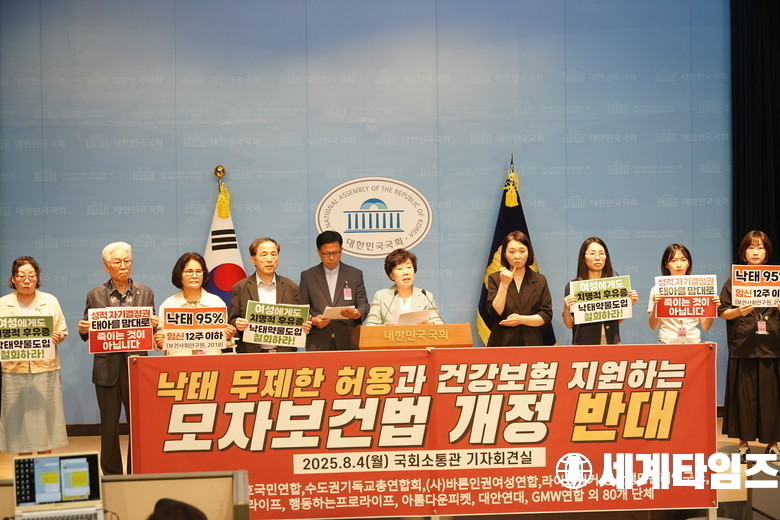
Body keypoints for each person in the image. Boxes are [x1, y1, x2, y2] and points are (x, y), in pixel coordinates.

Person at [78, 242, 157, 475]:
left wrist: (154, 324)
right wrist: (83, 329)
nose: (123, 266)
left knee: (138, 424)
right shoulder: (95, 294)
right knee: (109, 426)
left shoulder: (146, 292)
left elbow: (149, 331)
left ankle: (137, 469)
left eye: (127, 261)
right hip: (106, 369)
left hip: (137, 366)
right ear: (106, 267)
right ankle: (112, 474)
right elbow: (88, 331)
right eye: (117, 262)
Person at [718, 230, 780, 459]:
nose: (755, 252)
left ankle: (773, 443)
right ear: (743, 252)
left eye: (760, 247)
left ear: (767, 252)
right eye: (751, 247)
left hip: (771, 346)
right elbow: (722, 311)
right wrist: (737, 312)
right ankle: (743, 444)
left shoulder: (776, 279)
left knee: (771, 398)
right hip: (743, 345)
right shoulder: (734, 280)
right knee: (743, 398)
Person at [0, 257, 68, 454]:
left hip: (45, 369)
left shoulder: (50, 301)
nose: (26, 280)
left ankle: (46, 466)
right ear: (13, 279)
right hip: (14, 371)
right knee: (20, 427)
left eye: (31, 275)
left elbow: (62, 330)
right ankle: (26, 468)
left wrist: (58, 336)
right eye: (21, 275)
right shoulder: (3, 304)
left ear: (37, 278)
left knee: (46, 423)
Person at [229, 238, 311, 353]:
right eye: (264, 255)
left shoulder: (291, 287)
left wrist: (305, 325)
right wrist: (237, 323)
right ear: (253, 259)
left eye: (273, 254)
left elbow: (301, 320)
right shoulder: (240, 288)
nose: (269, 259)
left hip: (284, 353)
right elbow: (231, 321)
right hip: (251, 353)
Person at [298, 231, 369, 350]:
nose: (331, 258)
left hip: (348, 339)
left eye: (336, 253)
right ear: (319, 252)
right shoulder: (308, 276)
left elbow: (364, 304)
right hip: (318, 342)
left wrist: (358, 313)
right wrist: (313, 321)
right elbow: (301, 309)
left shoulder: (355, 274)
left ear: (341, 250)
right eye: (326, 253)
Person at [154, 252, 236, 355]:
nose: (194, 276)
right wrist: (160, 343)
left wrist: (227, 337)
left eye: (198, 271)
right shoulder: (169, 304)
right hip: (178, 362)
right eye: (189, 271)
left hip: (210, 361)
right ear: (179, 275)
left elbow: (223, 341)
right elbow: (161, 343)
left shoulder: (216, 302)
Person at [562, 236, 639, 344]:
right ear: (583, 258)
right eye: (592, 253)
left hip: (611, 343)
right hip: (584, 344)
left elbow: (616, 321)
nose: (597, 257)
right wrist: (566, 308)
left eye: (601, 253)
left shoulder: (614, 284)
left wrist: (629, 304)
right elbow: (569, 324)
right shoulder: (573, 286)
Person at [486, 231, 552, 346]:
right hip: (502, 343)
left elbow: (546, 315)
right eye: (511, 252)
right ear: (505, 254)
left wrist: (521, 320)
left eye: (522, 251)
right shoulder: (495, 278)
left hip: (531, 343)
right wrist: (504, 284)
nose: (517, 256)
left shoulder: (540, 280)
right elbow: (495, 313)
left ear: (528, 252)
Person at [648, 243, 719, 344]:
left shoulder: (699, 288)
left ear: (688, 263)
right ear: (666, 265)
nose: (679, 265)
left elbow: (706, 326)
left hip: (693, 341)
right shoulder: (657, 290)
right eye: (673, 260)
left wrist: (712, 307)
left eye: (683, 260)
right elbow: (653, 325)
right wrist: (657, 305)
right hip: (667, 341)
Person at [365, 249, 444, 326]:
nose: (406, 272)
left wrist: (431, 325)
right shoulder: (381, 296)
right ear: (391, 275)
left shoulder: (425, 295)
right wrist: (384, 328)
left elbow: (439, 323)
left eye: (409, 267)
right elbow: (370, 326)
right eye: (400, 268)